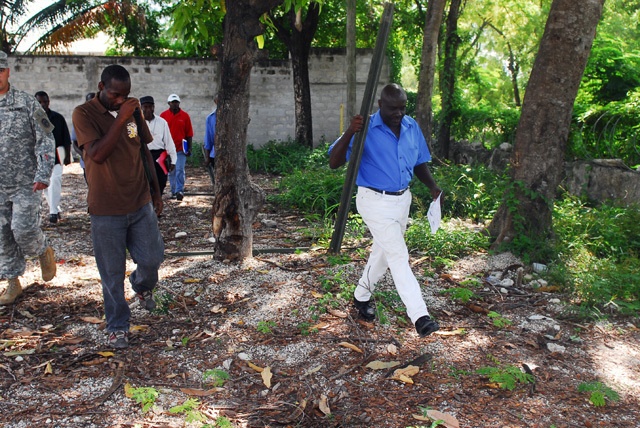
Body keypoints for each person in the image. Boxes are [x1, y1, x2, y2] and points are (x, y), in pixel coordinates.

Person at [328, 83, 442, 337]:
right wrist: (349, 132)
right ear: (381, 105)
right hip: (374, 201)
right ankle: (420, 316)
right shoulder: (365, 127)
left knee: (383, 251)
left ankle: (360, 296)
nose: (399, 113)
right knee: (398, 254)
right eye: (393, 109)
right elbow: (334, 162)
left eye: (402, 108)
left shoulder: (411, 126)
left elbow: (419, 162)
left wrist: (433, 186)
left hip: (402, 201)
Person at [72, 64, 165, 349]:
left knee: (152, 258)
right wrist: (121, 117)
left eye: (125, 95)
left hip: (140, 202)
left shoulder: (132, 110)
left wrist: (156, 191)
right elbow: (97, 154)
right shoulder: (83, 114)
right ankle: (118, 326)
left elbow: (144, 152)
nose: (121, 100)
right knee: (111, 275)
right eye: (115, 95)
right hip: (105, 209)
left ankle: (141, 285)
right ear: (101, 87)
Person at [0, 51, 57, 306]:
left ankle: (42, 249)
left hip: (25, 183)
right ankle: (13, 282)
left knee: (22, 229)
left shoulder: (26, 103)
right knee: (3, 235)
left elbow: (46, 139)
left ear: (8, 72)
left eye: (0, 71)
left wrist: (43, 173)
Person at [35, 91, 72, 223]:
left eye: (45, 101)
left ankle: (53, 212)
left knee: (55, 181)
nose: (43, 104)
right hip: (37, 158)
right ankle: (52, 207)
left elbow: (66, 138)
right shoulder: (30, 118)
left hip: (56, 156)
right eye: (40, 102)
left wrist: (67, 156)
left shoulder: (58, 118)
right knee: (43, 185)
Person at [140, 96, 177, 196]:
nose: (148, 109)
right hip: (142, 156)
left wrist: (173, 160)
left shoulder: (162, 122)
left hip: (159, 157)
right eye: (145, 107)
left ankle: (157, 204)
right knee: (144, 184)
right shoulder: (136, 122)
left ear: (154, 107)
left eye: (150, 107)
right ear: (141, 107)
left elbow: (168, 142)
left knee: (160, 182)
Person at [160, 94, 193, 201]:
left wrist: (189, 148)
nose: (175, 104)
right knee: (171, 170)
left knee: (179, 169)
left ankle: (180, 190)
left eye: (176, 102)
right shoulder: (163, 115)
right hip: (168, 150)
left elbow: (189, 134)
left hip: (180, 149)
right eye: (172, 102)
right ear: (169, 103)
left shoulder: (185, 116)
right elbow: (160, 133)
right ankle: (173, 191)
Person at [203, 95, 218, 185]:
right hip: (215, 154)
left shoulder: (233, 117)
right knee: (217, 178)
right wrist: (208, 157)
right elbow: (208, 139)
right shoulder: (211, 118)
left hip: (230, 155)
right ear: (215, 101)